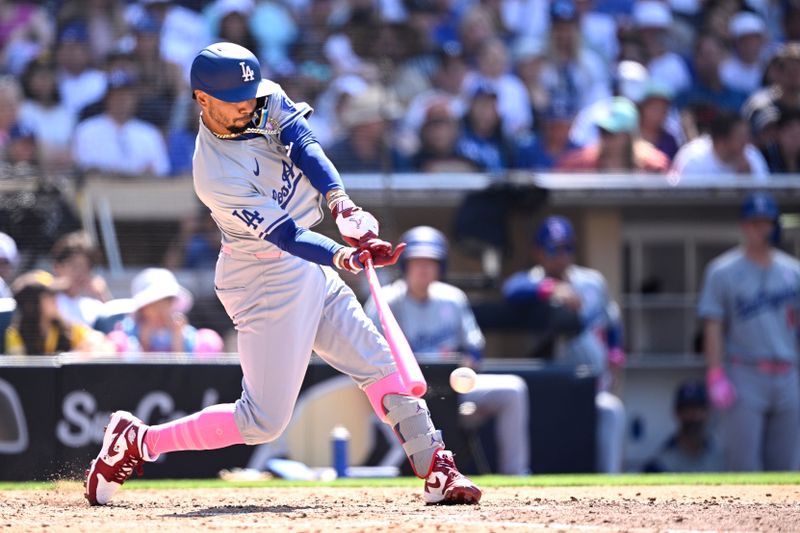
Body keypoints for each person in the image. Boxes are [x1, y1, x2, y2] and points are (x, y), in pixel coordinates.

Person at [84, 42, 481, 507]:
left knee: (380, 367)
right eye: (236, 102)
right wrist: (342, 256)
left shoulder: (263, 98)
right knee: (262, 421)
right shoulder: (213, 174)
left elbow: (307, 147)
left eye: (251, 96)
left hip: (309, 264)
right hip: (263, 276)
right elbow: (286, 235)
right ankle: (139, 441)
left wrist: (342, 204)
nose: (249, 108)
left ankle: (437, 468)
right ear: (202, 100)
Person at [364, 226, 530, 475]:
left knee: (513, 389)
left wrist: (467, 367)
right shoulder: (385, 299)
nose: (423, 268)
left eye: (430, 262)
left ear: (440, 266)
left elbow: (474, 348)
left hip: (451, 388)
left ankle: (516, 473)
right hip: (401, 391)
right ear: (405, 265)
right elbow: (366, 352)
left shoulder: (453, 298)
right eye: (417, 261)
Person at [503, 216, 626, 473]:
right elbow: (510, 289)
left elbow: (612, 323)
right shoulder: (532, 282)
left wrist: (615, 353)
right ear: (538, 251)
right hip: (555, 383)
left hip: (593, 381)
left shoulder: (592, 281)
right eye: (553, 248)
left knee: (611, 411)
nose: (561, 255)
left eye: (567, 247)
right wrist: (550, 289)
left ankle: (611, 481)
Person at [698, 192, 800, 471]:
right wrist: (715, 373)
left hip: (788, 372)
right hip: (745, 372)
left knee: (786, 468)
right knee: (743, 465)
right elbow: (713, 324)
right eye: (754, 222)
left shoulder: (793, 271)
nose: (760, 229)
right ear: (744, 225)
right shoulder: (723, 271)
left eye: (766, 222)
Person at [72, 70, 170, 177]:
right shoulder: (86, 131)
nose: (122, 101)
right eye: (116, 96)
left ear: (135, 99)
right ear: (107, 99)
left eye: (126, 96)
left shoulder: (149, 134)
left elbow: (161, 172)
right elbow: (83, 169)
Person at [106, 268, 223, 355]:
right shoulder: (128, 333)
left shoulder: (185, 333)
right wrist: (143, 340)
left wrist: (177, 338)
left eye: (166, 302)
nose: (160, 309)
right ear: (143, 309)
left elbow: (183, 372)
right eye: (154, 304)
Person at [4, 270, 111, 356]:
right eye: (50, 294)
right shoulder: (16, 336)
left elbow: (104, 345)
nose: (56, 299)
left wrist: (83, 352)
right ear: (32, 304)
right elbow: (23, 373)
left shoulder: (67, 329)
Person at [556, 97, 669, 173]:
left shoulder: (653, 166)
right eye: (603, 132)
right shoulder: (578, 164)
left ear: (629, 136)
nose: (606, 138)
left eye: (612, 133)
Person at [643, 381, 724, 473]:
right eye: (688, 409)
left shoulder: (718, 454)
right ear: (677, 412)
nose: (695, 416)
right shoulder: (661, 462)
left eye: (699, 409)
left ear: (708, 412)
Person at [670, 112, 770, 180]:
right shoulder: (693, 158)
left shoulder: (751, 155)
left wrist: (748, 179)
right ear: (721, 141)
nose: (746, 142)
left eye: (747, 136)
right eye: (740, 137)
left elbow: (764, 199)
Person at [50, 232, 111, 328]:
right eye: (75, 266)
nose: (79, 273)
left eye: (85, 267)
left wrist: (103, 296)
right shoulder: (48, 302)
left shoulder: (92, 306)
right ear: (57, 267)